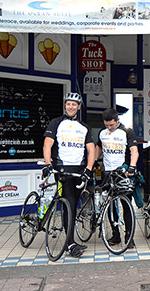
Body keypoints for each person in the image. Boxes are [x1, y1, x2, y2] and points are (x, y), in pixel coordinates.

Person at [42, 92, 95, 258]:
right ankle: (70, 244)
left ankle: (70, 239)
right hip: (62, 171)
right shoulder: (56, 123)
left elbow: (91, 150)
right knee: (69, 203)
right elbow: (47, 145)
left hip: (79, 171)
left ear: (79, 107)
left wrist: (88, 168)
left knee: (74, 205)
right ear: (65, 106)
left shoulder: (84, 127)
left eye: (74, 104)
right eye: (68, 104)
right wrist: (48, 164)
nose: (70, 107)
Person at [95, 108, 138, 249]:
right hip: (107, 172)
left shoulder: (127, 132)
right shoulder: (103, 133)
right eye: (106, 125)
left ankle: (129, 236)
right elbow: (99, 147)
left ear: (117, 120)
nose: (109, 127)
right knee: (110, 205)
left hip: (123, 173)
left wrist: (132, 166)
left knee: (127, 205)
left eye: (111, 125)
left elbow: (134, 151)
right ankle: (115, 234)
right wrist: (95, 160)